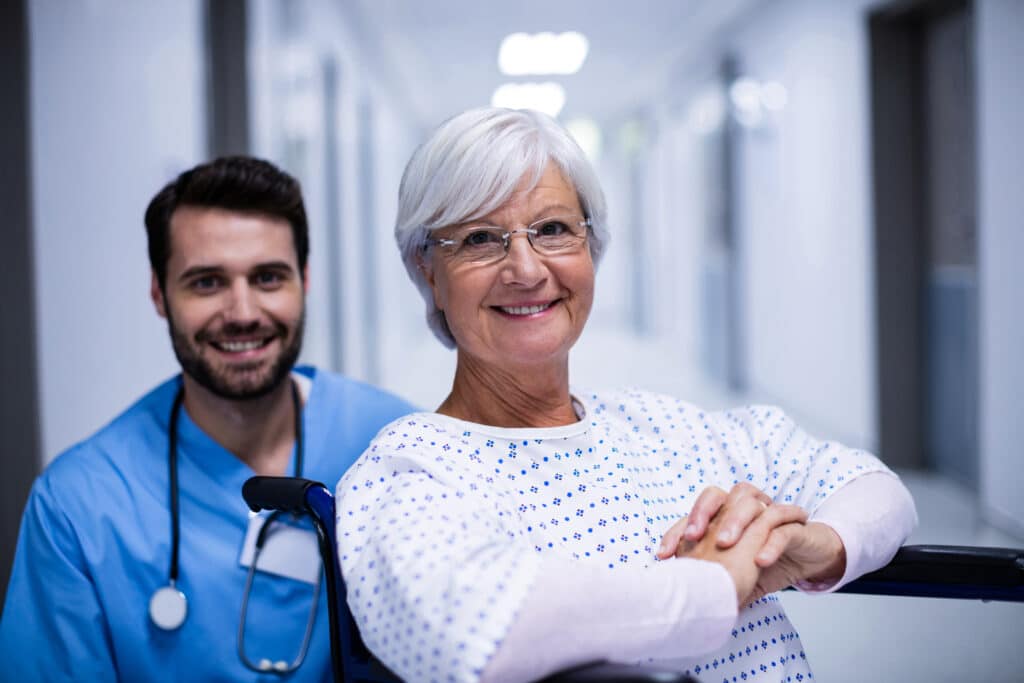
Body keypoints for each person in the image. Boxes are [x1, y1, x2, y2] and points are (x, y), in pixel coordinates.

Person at [335, 108, 917, 683]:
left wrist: (813, 545)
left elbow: (873, 488)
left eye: (554, 230)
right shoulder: (409, 472)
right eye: (481, 238)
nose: (526, 268)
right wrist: (716, 585)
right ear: (429, 270)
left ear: (592, 247)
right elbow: (472, 632)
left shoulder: (664, 425)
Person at [0, 156, 415, 681]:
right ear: (158, 294)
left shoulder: (398, 446)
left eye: (268, 278)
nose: (242, 312)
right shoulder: (79, 507)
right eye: (206, 283)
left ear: (304, 281)